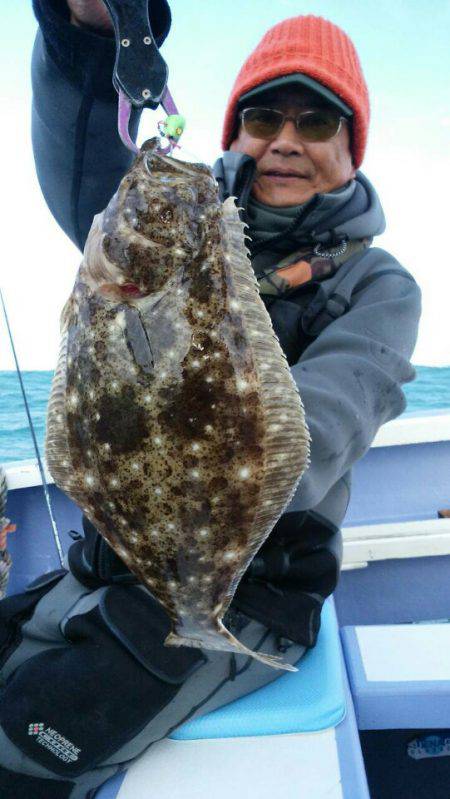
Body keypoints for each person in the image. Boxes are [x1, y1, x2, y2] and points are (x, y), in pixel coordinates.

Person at [0, 2, 421, 797]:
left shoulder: (379, 286)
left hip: (252, 586)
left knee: (24, 746)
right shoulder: (172, 213)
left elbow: (314, 441)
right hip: (116, 555)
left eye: (318, 119)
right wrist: (89, 35)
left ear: (351, 144)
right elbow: (88, 150)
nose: (287, 139)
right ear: (233, 131)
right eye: (264, 115)